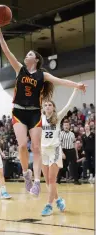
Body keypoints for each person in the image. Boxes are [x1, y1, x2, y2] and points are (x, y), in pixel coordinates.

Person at [0, 20, 86, 196]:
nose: (25, 56)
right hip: (19, 111)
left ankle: (36, 181)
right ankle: (26, 173)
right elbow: (6, 50)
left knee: (36, 147)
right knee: (21, 146)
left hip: (35, 112)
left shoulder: (44, 75)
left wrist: (77, 85)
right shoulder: (19, 69)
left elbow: (61, 81)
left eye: (28, 54)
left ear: (35, 59)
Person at [41, 88, 81, 216]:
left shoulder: (57, 117)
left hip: (55, 150)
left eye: (50, 105)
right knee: (47, 180)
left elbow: (69, 104)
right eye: (46, 105)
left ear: (53, 108)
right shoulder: (39, 118)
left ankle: (49, 205)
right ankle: (58, 200)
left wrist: (75, 89)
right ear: (43, 108)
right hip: (43, 151)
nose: (47, 106)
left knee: (52, 179)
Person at [58, 121, 81, 185]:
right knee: (63, 166)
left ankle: (76, 180)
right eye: (65, 125)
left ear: (69, 126)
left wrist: (76, 154)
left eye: (67, 125)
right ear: (63, 126)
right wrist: (62, 153)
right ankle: (58, 179)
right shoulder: (61, 133)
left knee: (75, 165)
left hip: (72, 151)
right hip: (65, 151)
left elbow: (74, 144)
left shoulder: (72, 134)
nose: (66, 126)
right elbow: (59, 144)